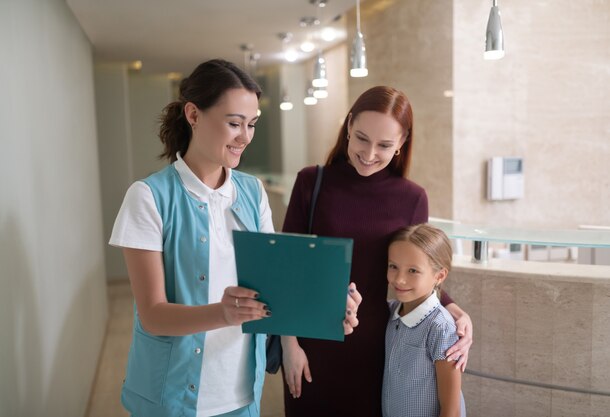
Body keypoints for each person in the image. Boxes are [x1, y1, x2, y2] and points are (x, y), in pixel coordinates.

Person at [109, 59, 361, 417]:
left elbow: (277, 286)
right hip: (171, 398)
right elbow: (152, 315)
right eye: (234, 123)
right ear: (193, 115)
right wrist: (223, 314)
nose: (245, 136)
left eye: (252, 124)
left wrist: (331, 304)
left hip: (241, 392)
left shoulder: (252, 192)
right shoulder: (149, 197)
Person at [280, 86, 473, 417]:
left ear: (402, 142)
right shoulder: (311, 182)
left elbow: (416, 270)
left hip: (378, 350)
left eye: (384, 145)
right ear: (349, 126)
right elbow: (287, 268)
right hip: (312, 343)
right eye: (361, 138)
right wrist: (289, 344)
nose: (369, 153)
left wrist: (454, 309)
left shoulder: (411, 197)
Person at [383, 223, 465, 417]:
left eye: (413, 271)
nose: (399, 279)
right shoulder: (391, 312)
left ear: (439, 275)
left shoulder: (441, 327)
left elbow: (451, 410)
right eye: (393, 266)